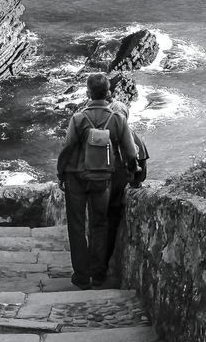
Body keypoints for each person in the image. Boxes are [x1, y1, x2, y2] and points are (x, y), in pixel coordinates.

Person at [57, 74, 139, 290]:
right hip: (102, 178)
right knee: (99, 224)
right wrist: (133, 172)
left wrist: (60, 173)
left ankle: (82, 276)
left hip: (76, 177)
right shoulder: (117, 119)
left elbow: (67, 148)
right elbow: (130, 153)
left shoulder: (78, 118)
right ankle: (98, 274)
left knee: (76, 225)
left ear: (88, 92)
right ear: (108, 92)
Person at [102, 100, 151, 281]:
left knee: (97, 225)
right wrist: (135, 181)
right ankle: (102, 267)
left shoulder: (97, 134)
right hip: (117, 189)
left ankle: (91, 266)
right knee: (110, 225)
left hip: (96, 185)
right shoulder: (134, 137)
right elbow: (142, 172)